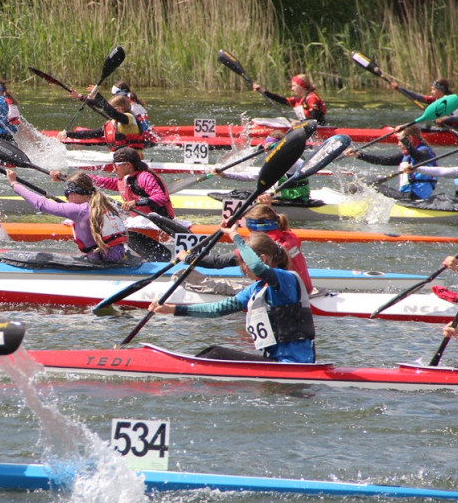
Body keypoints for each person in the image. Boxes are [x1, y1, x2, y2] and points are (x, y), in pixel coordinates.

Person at [149, 233, 316, 363]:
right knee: (212, 352)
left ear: (263, 259)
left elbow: (257, 267)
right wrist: (173, 309)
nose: (240, 268)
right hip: (275, 361)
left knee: (214, 354)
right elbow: (217, 309)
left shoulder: (286, 278)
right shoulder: (256, 290)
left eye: (242, 262)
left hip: (294, 363)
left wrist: (235, 235)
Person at [181, 204, 313, 295]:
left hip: (282, 296)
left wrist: (186, 257)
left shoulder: (260, 246)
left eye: (248, 228)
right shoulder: (290, 235)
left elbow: (218, 262)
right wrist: (268, 206)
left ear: (255, 228)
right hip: (305, 290)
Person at [6, 169, 129, 263]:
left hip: (101, 260)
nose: (66, 198)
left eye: (68, 193)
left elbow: (42, 204)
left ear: (76, 193)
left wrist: (14, 184)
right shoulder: (103, 203)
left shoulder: (79, 209)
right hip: (118, 253)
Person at [61, 147, 174, 219]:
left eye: (116, 166)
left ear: (128, 165)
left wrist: (135, 202)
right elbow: (100, 181)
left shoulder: (144, 177)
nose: (114, 170)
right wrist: (67, 177)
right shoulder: (125, 180)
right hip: (141, 221)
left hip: (159, 222)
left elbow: (160, 198)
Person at [345, 124, 438, 200]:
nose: (398, 144)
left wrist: (404, 139)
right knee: (366, 183)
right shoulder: (408, 155)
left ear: (409, 139)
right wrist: (358, 155)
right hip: (406, 196)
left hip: (413, 197)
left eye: (399, 140)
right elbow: (384, 160)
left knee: (366, 186)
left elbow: (418, 157)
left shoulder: (425, 152)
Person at [64, 91, 145, 155]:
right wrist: (68, 134)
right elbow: (91, 134)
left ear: (120, 109)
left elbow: (112, 112)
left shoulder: (129, 118)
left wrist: (98, 96)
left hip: (132, 158)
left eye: (111, 108)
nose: (107, 111)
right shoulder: (112, 123)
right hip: (119, 157)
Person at [388, 77, 458, 129]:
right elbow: (417, 97)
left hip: (454, 130)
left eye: (433, 90)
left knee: (420, 124)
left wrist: (444, 119)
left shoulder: (450, 102)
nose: (431, 92)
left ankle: (404, 128)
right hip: (443, 129)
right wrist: (399, 88)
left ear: (441, 91)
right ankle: (404, 127)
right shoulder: (435, 99)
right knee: (425, 122)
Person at [252, 74, 326, 125]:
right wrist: (263, 91)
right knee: (281, 119)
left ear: (302, 86)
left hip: (318, 128)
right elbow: (281, 99)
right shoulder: (298, 100)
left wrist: (300, 122)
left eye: (294, 86)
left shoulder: (311, 98)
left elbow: (315, 118)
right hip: (306, 125)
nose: (292, 89)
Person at [111, 81, 158, 145]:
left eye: (114, 96)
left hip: (139, 139)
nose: (114, 99)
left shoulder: (130, 109)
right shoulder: (137, 105)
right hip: (146, 136)